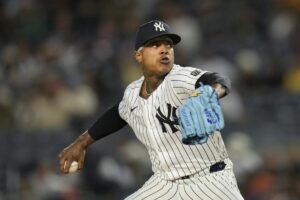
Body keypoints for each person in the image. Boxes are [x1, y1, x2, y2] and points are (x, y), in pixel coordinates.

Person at [59, 20, 244, 199]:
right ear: (138, 55)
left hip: (210, 179)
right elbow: (117, 114)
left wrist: (211, 93)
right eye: (155, 45)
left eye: (168, 45)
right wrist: (81, 143)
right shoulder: (132, 92)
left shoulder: (180, 78)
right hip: (165, 184)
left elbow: (219, 80)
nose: (164, 49)